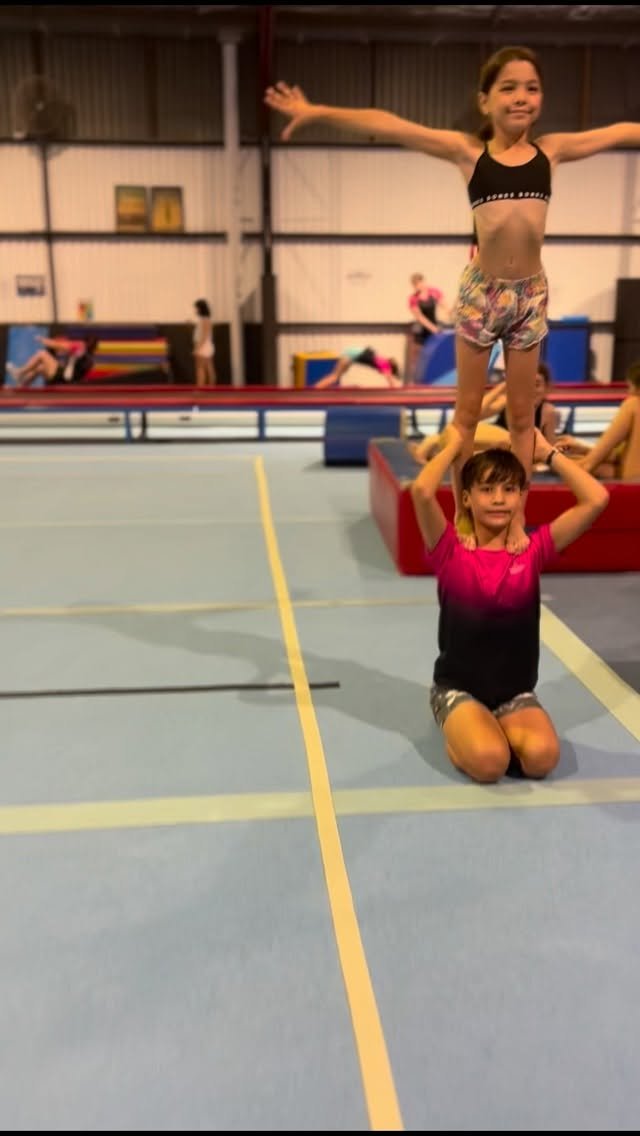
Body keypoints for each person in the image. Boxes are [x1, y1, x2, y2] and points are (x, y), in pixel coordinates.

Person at [264, 48, 640, 553]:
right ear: (485, 101)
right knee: (466, 418)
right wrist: (316, 112)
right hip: (482, 295)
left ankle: (515, 519)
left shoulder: (551, 152)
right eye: (508, 88)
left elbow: (621, 132)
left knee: (523, 419)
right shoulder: (468, 153)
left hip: (530, 295)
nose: (521, 97)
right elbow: (390, 124)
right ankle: (464, 515)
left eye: (531, 88)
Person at [409, 422, 609, 783]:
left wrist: (547, 453)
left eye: (509, 489)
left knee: (542, 760)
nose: (499, 499)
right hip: (459, 687)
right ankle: (458, 724)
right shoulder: (449, 551)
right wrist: (453, 448)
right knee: (490, 764)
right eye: (486, 490)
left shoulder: (532, 552)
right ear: (467, 498)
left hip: (513, 692)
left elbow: (597, 499)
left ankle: (491, 725)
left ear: (520, 497)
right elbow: (422, 492)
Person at [410, 360, 559, 463]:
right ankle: (434, 445)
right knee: (465, 433)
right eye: (526, 384)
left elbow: (550, 445)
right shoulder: (509, 401)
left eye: (537, 384)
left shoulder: (548, 412)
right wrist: (504, 385)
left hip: (506, 456)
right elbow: (476, 414)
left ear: (546, 388)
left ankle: (434, 448)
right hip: (495, 447)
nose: (531, 390)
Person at [562, 358, 640, 481]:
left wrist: (549, 457)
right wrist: (583, 449)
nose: (628, 392)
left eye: (630, 387)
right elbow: (621, 457)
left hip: (632, 487)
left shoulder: (633, 405)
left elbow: (588, 465)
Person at [6, 334, 98, 388]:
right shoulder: (91, 360)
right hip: (69, 379)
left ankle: (19, 373)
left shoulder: (80, 346)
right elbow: (78, 372)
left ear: (85, 342)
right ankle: (21, 386)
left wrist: (43, 340)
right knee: (40, 368)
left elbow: (57, 345)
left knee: (42, 354)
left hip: (63, 377)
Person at [407, 272, 450, 382]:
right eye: (415, 285)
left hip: (434, 329)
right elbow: (419, 317)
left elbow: (444, 305)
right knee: (419, 359)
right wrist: (433, 328)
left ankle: (436, 379)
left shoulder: (433, 292)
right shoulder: (413, 299)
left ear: (423, 282)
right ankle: (417, 382)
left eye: (419, 283)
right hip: (421, 332)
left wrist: (448, 312)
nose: (418, 286)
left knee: (436, 355)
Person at [314, 345, 402, 389]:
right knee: (334, 377)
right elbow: (389, 379)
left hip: (350, 355)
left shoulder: (382, 359)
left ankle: (317, 387)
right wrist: (395, 390)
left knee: (335, 376)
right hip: (348, 356)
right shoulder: (385, 364)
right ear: (391, 367)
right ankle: (317, 389)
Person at [192, 298, 216, 386]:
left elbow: (204, 336)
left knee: (200, 368)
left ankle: (201, 387)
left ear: (200, 308)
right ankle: (209, 387)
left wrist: (197, 348)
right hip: (205, 345)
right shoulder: (204, 319)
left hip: (204, 346)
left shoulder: (205, 320)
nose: (195, 310)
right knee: (207, 367)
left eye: (196, 308)